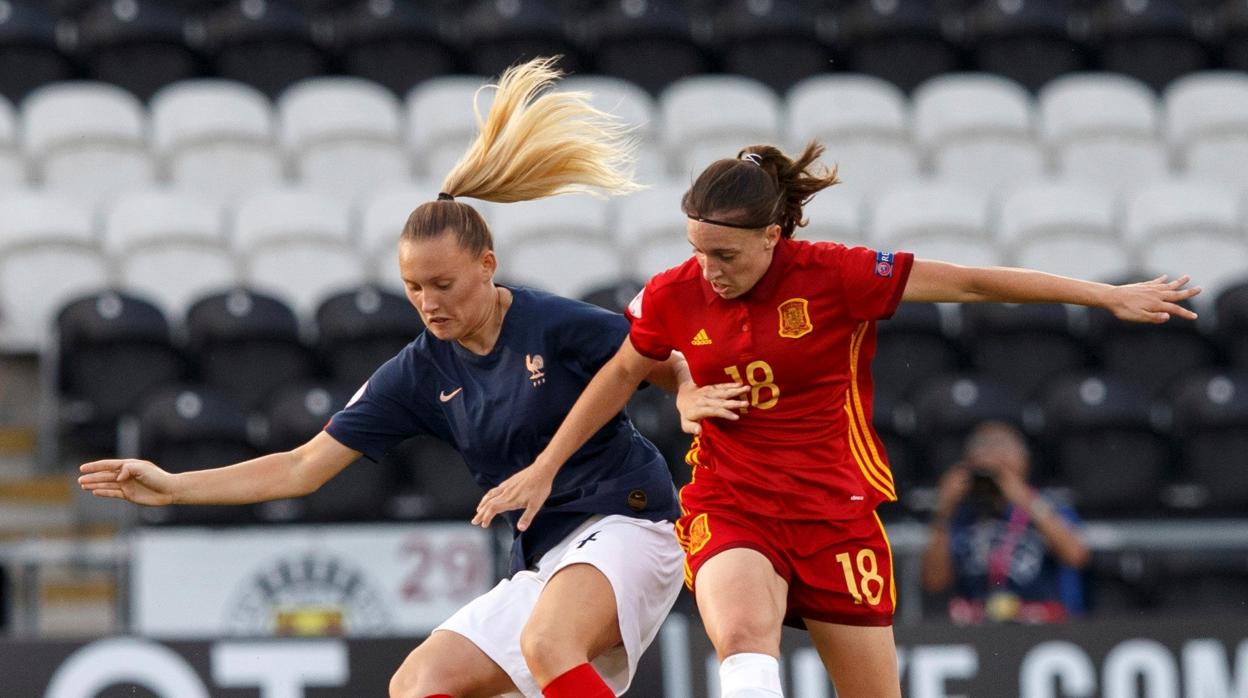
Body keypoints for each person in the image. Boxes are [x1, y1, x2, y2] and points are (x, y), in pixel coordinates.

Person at [471, 142, 1201, 698]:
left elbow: (976, 281)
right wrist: (547, 466)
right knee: (743, 637)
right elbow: (622, 373)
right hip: (733, 499)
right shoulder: (674, 293)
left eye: (724, 253)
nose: (707, 269)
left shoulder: (840, 276)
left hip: (834, 511)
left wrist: (1105, 296)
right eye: (695, 249)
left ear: (772, 237)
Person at [78, 57, 688, 698]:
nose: (428, 302)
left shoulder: (549, 321)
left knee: (547, 645)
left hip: (628, 523)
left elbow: (652, 358)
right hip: (545, 557)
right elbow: (299, 467)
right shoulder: (420, 370)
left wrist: (692, 393)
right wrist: (175, 488)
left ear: (487, 265)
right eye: (413, 287)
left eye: (443, 284)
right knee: (416, 684)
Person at [922, 421, 1089, 624]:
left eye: (1003, 449)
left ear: (1025, 462)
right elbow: (934, 582)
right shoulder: (962, 515)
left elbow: (1076, 556)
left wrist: (1025, 501)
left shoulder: (1049, 505)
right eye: (984, 449)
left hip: (1039, 624)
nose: (993, 457)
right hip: (976, 625)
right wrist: (944, 509)